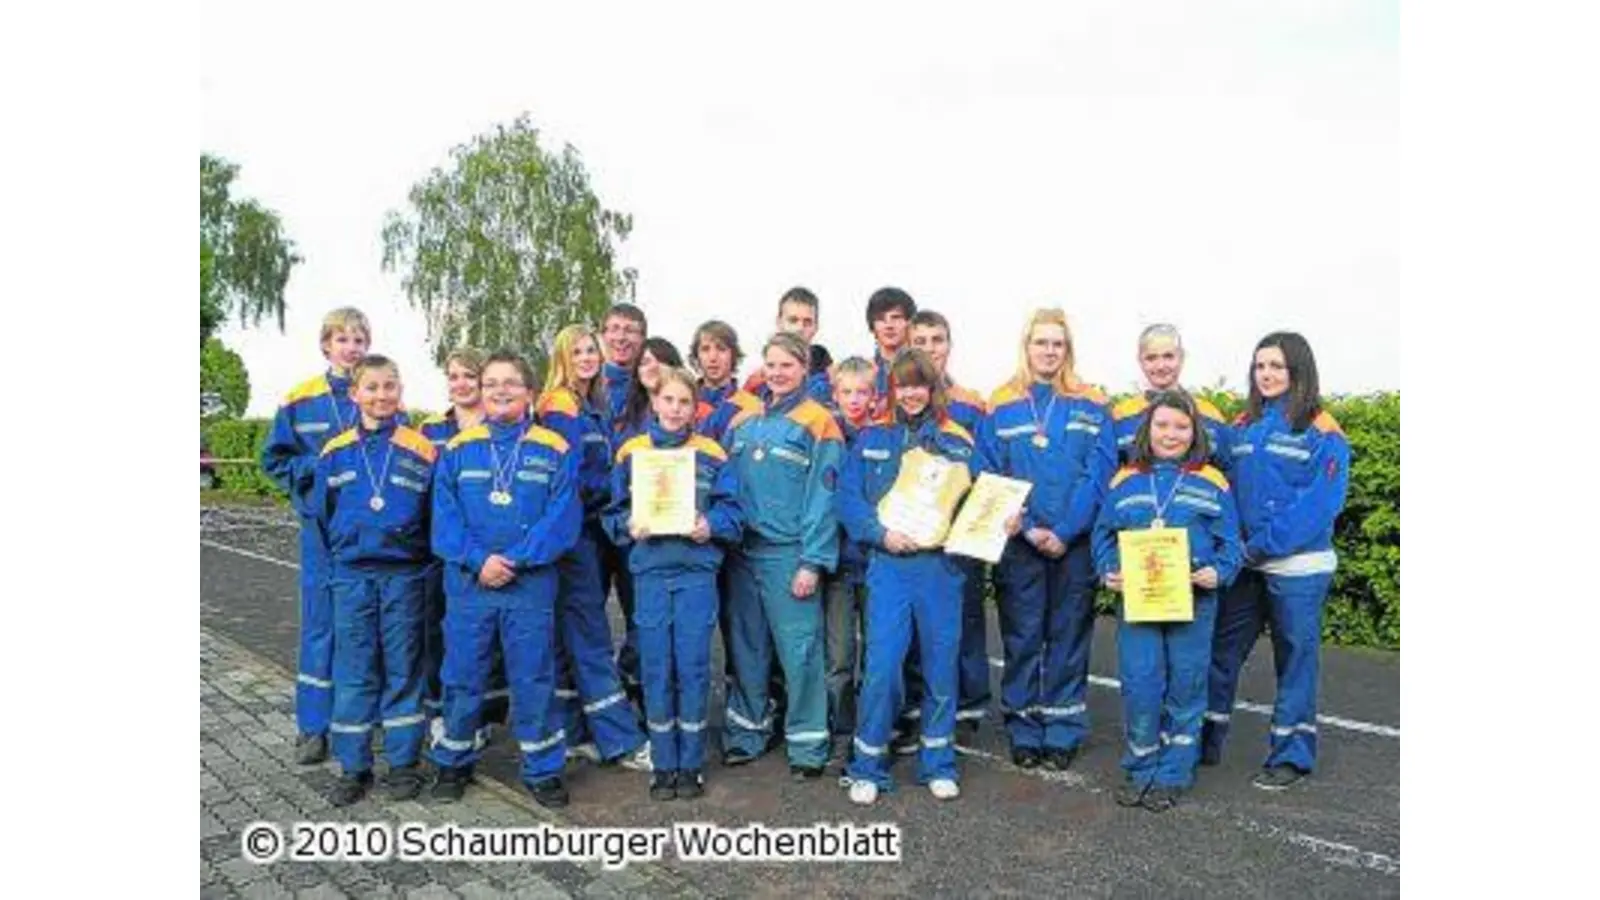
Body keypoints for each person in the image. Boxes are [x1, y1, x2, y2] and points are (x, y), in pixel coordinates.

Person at [429, 349, 583, 808]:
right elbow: (444, 518)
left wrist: (515, 559)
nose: (500, 390)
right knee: (461, 675)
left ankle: (542, 769)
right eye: (491, 383)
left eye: (511, 382)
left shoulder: (554, 449)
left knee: (534, 677)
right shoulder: (458, 449)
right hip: (469, 585)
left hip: (529, 586)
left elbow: (562, 518)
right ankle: (453, 761)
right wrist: (479, 561)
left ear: (529, 392)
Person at [1201, 332, 1351, 791]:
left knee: (1295, 661)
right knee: (1221, 652)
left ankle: (1291, 756)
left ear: (1298, 370)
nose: (1266, 374)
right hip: (1247, 565)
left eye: (1277, 366)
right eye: (1260, 366)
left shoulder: (1323, 430)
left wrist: (1261, 544)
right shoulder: (1243, 425)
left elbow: (1319, 505)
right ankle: (1203, 740)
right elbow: (1219, 485)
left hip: (1298, 569)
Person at [838, 349, 984, 806]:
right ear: (891, 389)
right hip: (890, 567)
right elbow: (848, 499)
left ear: (934, 387)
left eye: (919, 384)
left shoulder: (959, 440)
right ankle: (867, 766)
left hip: (942, 569)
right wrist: (880, 534)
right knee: (882, 667)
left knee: (941, 667)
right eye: (903, 385)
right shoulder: (873, 436)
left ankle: (938, 763)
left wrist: (1001, 519)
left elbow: (981, 501)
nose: (911, 393)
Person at [978, 308, 1116, 771]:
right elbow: (989, 471)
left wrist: (1066, 531)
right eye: (1041, 342)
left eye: (1058, 343)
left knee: (1068, 637)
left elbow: (1099, 474)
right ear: (1027, 346)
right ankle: (1023, 727)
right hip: (1021, 543)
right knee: (1022, 637)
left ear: (1068, 349)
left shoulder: (1091, 403)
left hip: (1073, 546)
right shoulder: (1002, 404)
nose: (1049, 351)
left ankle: (1061, 729)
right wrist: (1031, 527)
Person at [1092, 389, 1243, 813]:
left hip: (1194, 604)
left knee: (1186, 686)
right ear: (1148, 429)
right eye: (1162, 425)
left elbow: (1232, 543)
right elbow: (1103, 535)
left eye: (1181, 426)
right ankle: (1141, 767)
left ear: (1195, 432)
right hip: (1137, 604)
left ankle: (1175, 772)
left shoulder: (1213, 481)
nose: (1170, 434)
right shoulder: (1125, 480)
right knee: (1140, 684)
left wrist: (1220, 572)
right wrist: (1108, 569)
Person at [603, 366, 744, 801]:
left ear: (695, 408)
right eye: (669, 400)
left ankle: (691, 765)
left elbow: (734, 512)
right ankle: (664, 764)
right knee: (656, 668)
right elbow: (612, 513)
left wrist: (710, 525)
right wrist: (628, 526)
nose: (676, 409)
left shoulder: (712, 453)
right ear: (655, 402)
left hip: (696, 574)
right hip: (650, 574)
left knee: (693, 667)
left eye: (685, 402)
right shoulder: (632, 452)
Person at [311, 355, 436, 805]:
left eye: (389, 386)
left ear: (400, 391)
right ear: (355, 394)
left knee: (404, 669)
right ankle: (354, 766)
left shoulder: (422, 449)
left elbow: (433, 515)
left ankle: (403, 765)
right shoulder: (334, 451)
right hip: (352, 578)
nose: (381, 396)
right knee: (355, 671)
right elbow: (322, 516)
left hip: (404, 577)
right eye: (372, 387)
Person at [721, 332, 844, 778]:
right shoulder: (742, 421)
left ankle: (808, 746)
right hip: (741, 555)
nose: (777, 373)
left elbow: (823, 500)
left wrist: (812, 561)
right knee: (747, 647)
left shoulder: (820, 423)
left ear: (804, 369)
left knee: (800, 652)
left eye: (787, 365)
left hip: (788, 556)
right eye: (771, 364)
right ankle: (746, 733)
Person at [536, 325, 651, 771]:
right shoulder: (560, 406)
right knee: (590, 636)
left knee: (573, 635)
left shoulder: (592, 405)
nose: (587, 358)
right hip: (574, 534)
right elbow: (569, 475)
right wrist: (619, 490)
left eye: (591, 351)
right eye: (578, 351)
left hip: (590, 530)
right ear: (562, 359)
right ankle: (621, 740)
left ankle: (572, 731)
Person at [261, 306, 371, 765]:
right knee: (320, 628)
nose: (351, 348)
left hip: (367, 537)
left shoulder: (379, 393)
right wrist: (317, 471)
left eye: (359, 340)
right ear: (326, 345)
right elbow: (274, 460)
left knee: (360, 630)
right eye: (342, 339)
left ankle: (357, 721)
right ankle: (312, 727)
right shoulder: (299, 399)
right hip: (322, 535)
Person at [907, 309, 992, 739]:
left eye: (936, 340)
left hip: (961, 539)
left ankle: (969, 705)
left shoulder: (972, 404)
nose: (929, 349)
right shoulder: (897, 402)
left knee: (967, 620)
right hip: (914, 539)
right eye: (919, 341)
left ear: (949, 345)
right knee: (916, 630)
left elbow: (987, 470)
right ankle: (916, 706)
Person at [417, 349, 500, 737]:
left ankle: (483, 716)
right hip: (442, 548)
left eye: (470, 376)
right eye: (454, 377)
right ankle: (440, 711)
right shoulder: (429, 430)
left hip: (488, 547)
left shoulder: (501, 426)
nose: (461, 384)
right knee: (438, 631)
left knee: (487, 638)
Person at [821, 357, 883, 757]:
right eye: (847, 392)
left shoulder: (884, 438)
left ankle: (873, 730)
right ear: (835, 394)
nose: (855, 399)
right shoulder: (826, 438)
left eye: (862, 392)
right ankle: (841, 731)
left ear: (875, 396)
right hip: (838, 566)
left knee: (878, 654)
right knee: (840, 656)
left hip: (877, 563)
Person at [1111, 324, 1233, 469]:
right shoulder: (1120, 415)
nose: (1160, 366)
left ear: (1181, 357)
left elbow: (1228, 471)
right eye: (1151, 358)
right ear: (1140, 361)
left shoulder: (1210, 415)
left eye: (1168, 356)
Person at [742, 287, 835, 406]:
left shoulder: (823, 359)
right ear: (779, 322)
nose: (800, 328)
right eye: (793, 320)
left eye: (807, 322)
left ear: (816, 326)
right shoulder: (760, 378)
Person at [690, 319, 764, 447]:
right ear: (697, 356)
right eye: (705, 349)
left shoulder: (752, 405)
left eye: (721, 349)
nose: (713, 357)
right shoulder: (683, 402)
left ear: (733, 355)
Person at [615, 337, 685, 446]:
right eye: (645, 362)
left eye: (661, 361)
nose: (653, 367)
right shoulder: (627, 415)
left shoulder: (698, 412)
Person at [864, 287, 917, 417]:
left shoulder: (924, 370)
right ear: (872, 326)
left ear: (910, 323)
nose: (889, 326)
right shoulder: (861, 372)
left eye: (896, 317)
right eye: (881, 319)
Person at [601, 303, 649, 422]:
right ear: (603, 336)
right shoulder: (585, 385)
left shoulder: (652, 388)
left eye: (630, 330)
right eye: (614, 329)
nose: (621, 337)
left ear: (643, 338)